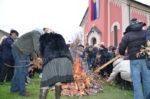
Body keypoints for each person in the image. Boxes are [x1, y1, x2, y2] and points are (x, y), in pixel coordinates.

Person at [119, 18, 150, 99]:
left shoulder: (127, 35)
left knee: (136, 82)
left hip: (134, 60)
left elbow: (121, 47)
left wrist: (122, 53)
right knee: (147, 81)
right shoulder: (145, 32)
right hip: (146, 59)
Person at [39, 32, 74, 99]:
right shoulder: (60, 37)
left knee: (45, 83)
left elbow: (42, 51)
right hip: (66, 60)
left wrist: (42, 59)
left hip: (51, 59)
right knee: (58, 80)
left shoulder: (43, 38)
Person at [10, 29, 43, 96]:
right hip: (19, 51)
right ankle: (22, 92)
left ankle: (13, 89)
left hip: (24, 53)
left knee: (22, 71)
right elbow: (37, 48)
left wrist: (36, 59)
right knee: (21, 72)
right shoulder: (37, 33)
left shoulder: (36, 36)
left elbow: (32, 50)